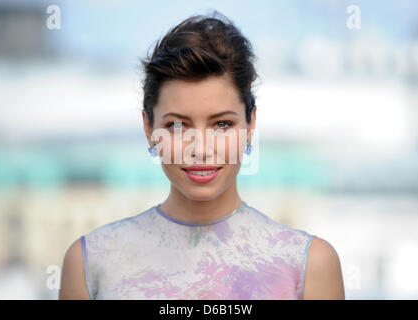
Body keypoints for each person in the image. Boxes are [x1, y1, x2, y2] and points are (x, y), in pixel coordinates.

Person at [59, 11, 344, 300]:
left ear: (250, 124)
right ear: (148, 127)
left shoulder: (308, 266)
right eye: (177, 126)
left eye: (222, 124)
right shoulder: (91, 262)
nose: (200, 149)